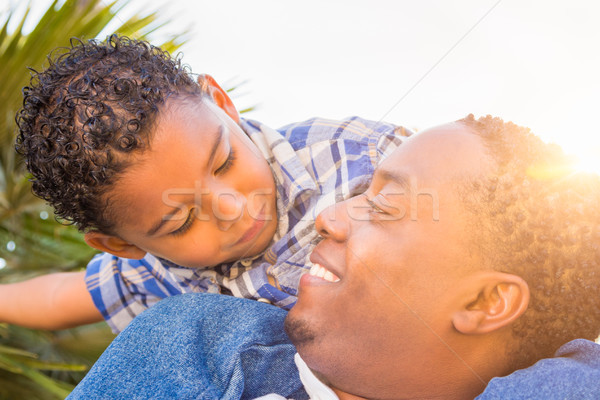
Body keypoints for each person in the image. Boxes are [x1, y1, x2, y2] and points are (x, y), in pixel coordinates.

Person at [68, 115, 600, 399]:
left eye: (385, 207)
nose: (329, 216)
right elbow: (81, 291)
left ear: (487, 300)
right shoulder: (194, 343)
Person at [4, 35, 410, 332]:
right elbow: (62, 297)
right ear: (123, 245)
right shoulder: (157, 269)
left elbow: (469, 192)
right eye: (181, 221)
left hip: (435, 358)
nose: (233, 209)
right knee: (170, 335)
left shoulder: (356, 156)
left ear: (222, 103)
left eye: (225, 161)